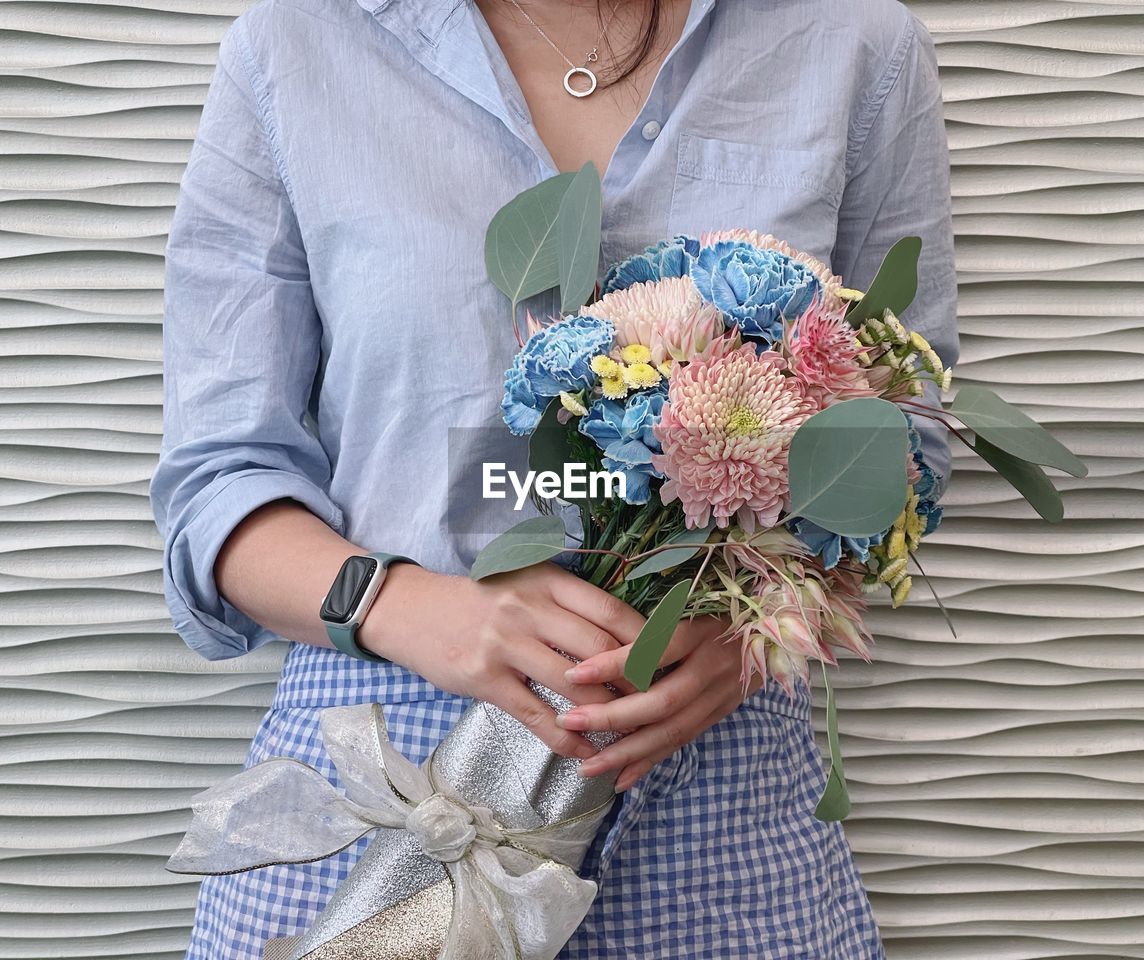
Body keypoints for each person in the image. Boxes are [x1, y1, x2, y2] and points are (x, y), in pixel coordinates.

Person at [150, 0, 959, 955]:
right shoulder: (296, 46)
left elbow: (903, 439)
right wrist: (412, 608)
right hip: (383, 786)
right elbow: (219, 483)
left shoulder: (850, 42)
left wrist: (745, 636)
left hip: (714, 794)